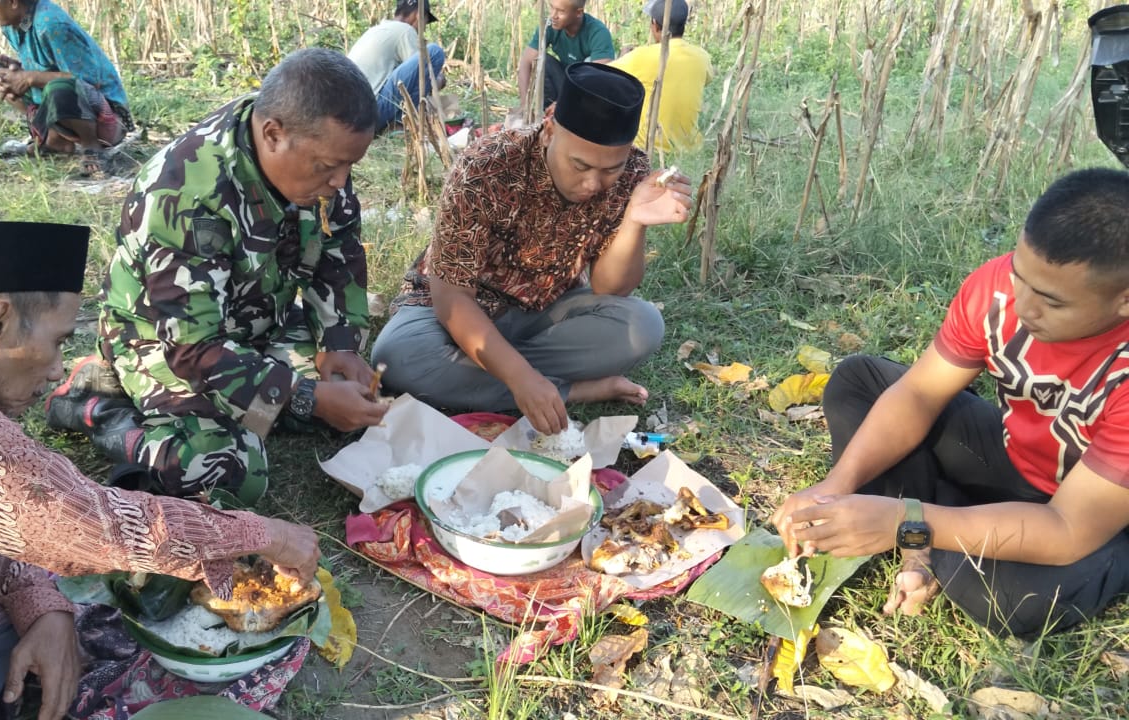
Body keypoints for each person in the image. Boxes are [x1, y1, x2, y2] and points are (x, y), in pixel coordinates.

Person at [0, 221, 320, 720]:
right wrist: (256, 534)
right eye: (57, 342)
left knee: (65, 608)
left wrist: (40, 604)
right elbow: (77, 518)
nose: (57, 369)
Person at [772, 168, 1129, 640]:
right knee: (861, 381)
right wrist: (835, 487)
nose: (1022, 306)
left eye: (1051, 302)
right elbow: (919, 394)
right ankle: (943, 523)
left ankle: (932, 517)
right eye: (1019, 275)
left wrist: (908, 524)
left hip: (1093, 513)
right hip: (1016, 458)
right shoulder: (997, 289)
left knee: (1012, 603)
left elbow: (1066, 529)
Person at [46, 48, 387, 505]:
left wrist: (338, 345)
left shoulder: (315, 154)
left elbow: (339, 254)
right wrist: (307, 397)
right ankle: (98, 405)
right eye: (328, 167)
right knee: (224, 468)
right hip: (162, 339)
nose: (341, 183)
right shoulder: (186, 193)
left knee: (346, 399)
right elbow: (193, 348)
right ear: (272, 135)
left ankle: (276, 399)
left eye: (351, 167)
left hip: (256, 322)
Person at [373, 62, 693, 435]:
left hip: (541, 313)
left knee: (643, 326)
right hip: (448, 312)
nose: (594, 183)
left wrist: (634, 221)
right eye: (580, 165)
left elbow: (610, 289)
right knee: (397, 357)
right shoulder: (487, 166)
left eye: (611, 170)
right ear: (550, 128)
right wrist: (521, 377)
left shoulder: (634, 173)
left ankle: (481, 372)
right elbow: (453, 300)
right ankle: (571, 390)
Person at [0, 0, 132, 173]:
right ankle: (54, 140)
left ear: (14, 3)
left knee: (59, 88)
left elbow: (87, 80)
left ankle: (92, 146)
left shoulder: (51, 24)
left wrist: (29, 77)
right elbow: (47, 64)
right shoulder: (12, 24)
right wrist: (17, 71)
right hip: (60, 103)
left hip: (104, 114)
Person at [610, 0, 711, 153]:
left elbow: (602, 75)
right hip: (690, 149)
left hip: (648, 148)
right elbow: (706, 79)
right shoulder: (702, 57)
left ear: (655, 26)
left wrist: (623, 57)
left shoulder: (640, 56)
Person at [348, 0, 446, 132]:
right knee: (434, 52)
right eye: (425, 22)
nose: (423, 28)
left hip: (352, 121)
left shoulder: (376, 30)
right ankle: (400, 123)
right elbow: (424, 77)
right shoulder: (405, 30)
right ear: (418, 15)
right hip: (372, 115)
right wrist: (440, 79)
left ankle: (399, 122)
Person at [516, 0, 616, 111]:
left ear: (578, 13)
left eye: (560, 11)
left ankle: (568, 112)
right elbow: (526, 61)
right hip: (565, 83)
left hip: (588, 95)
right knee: (541, 60)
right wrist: (524, 106)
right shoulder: (548, 26)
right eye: (552, 8)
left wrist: (563, 102)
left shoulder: (598, 32)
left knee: (590, 67)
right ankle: (548, 112)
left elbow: (600, 79)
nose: (553, 15)